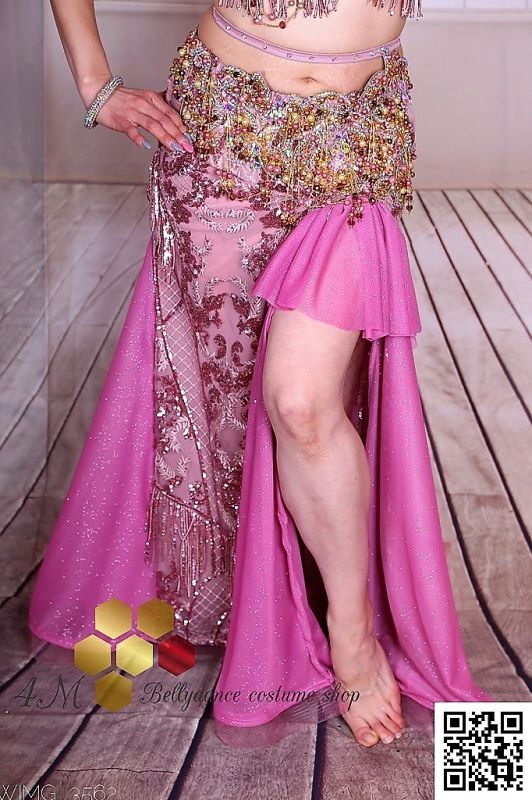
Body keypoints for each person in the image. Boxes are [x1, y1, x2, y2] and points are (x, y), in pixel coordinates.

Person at [29, 0, 491, 749]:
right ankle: (263, 608)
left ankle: (352, 636)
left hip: (354, 146)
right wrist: (95, 84)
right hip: (223, 142)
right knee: (232, 409)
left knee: (301, 402)